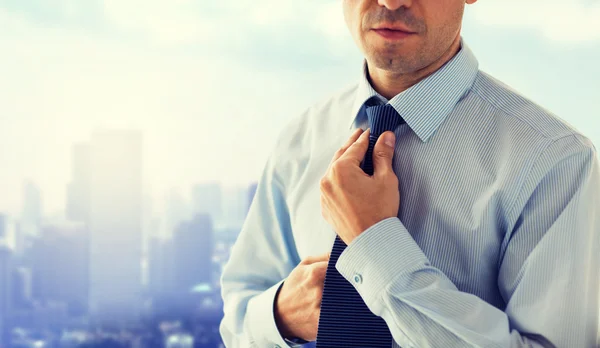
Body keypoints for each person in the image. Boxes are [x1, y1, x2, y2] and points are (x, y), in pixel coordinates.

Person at [219, 0, 600, 347]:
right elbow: (237, 319)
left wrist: (374, 243)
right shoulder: (301, 137)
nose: (390, 1)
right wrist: (279, 316)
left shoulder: (555, 161)